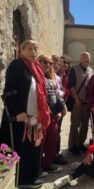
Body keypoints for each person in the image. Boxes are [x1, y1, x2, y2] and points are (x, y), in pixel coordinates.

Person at [0, 40, 50, 188]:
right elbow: (8, 92)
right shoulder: (16, 66)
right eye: (30, 49)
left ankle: (30, 178)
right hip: (20, 116)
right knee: (19, 148)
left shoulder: (36, 68)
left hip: (35, 116)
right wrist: (17, 113)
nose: (33, 52)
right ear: (22, 51)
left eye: (36, 49)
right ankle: (17, 180)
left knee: (32, 148)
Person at [38, 55, 65, 174]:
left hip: (53, 116)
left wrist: (62, 107)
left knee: (52, 142)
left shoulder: (51, 80)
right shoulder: (35, 78)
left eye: (49, 63)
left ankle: (47, 164)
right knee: (39, 144)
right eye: (44, 62)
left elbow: (56, 96)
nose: (48, 65)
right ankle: (37, 167)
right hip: (41, 117)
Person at [68, 52, 94, 155]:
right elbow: (71, 85)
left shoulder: (91, 70)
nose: (86, 59)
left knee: (84, 125)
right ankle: (72, 145)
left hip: (87, 103)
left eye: (88, 58)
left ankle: (80, 143)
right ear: (80, 59)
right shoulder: (74, 69)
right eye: (84, 58)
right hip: (77, 102)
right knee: (75, 124)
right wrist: (76, 98)